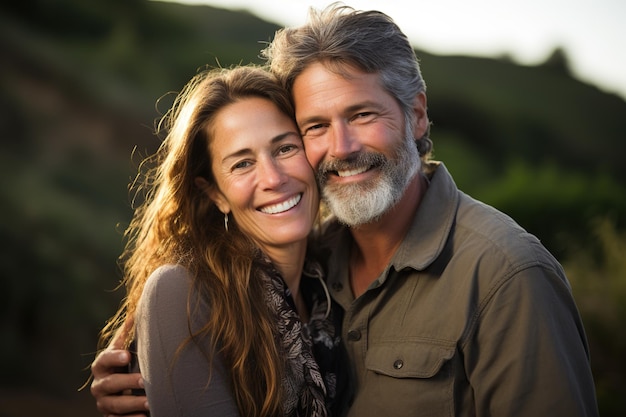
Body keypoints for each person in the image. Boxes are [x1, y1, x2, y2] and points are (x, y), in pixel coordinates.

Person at [91, 3, 600, 416]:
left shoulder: (506, 276)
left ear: (417, 115)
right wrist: (154, 375)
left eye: (361, 114)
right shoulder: (315, 263)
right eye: (314, 126)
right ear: (214, 192)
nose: (341, 146)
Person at [92, 65, 348, 417]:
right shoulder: (184, 292)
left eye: (286, 148)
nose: (273, 178)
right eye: (242, 164)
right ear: (215, 193)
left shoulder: (330, 282)